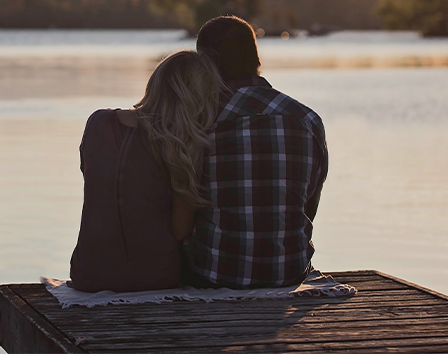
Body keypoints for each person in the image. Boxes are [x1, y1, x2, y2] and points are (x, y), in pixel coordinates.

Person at [183, 15, 328, 289]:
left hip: (212, 275)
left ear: (206, 63)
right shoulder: (308, 119)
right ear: (256, 58)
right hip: (289, 273)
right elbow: (308, 205)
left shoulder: (199, 121)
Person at [69, 50, 223, 292]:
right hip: (155, 278)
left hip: (88, 273)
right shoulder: (182, 145)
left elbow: (92, 176)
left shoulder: (98, 122)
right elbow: (180, 230)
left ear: (155, 83)